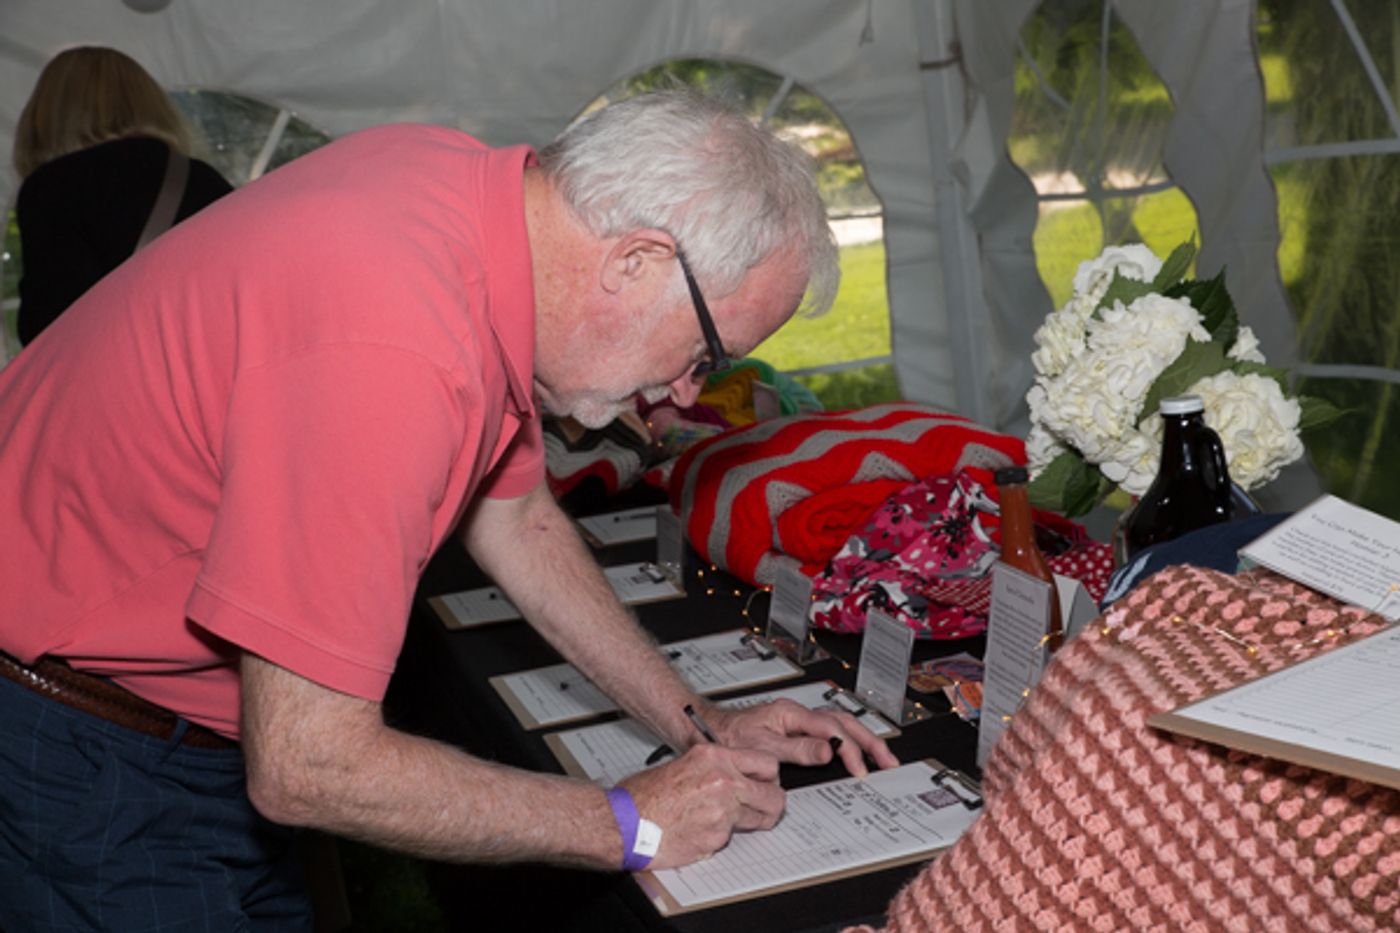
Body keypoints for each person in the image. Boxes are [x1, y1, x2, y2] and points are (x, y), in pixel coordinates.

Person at [0, 88, 897, 930]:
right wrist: (625, 822)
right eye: (706, 353)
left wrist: (697, 722)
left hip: (155, 723)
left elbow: (517, 515)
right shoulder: (393, 343)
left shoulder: (468, 203)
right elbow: (310, 765)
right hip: (82, 741)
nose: (682, 392)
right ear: (636, 259)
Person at [11, 45, 233, 346]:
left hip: (124, 376)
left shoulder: (51, 188)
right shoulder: (201, 177)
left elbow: (47, 326)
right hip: (208, 363)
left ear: (49, 114)